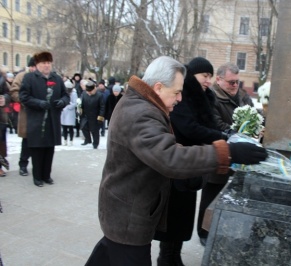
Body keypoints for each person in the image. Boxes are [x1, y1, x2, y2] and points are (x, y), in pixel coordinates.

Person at [85, 56, 267, 266]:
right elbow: (170, 157)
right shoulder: (140, 113)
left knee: (109, 254)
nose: (180, 98)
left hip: (126, 209)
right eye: (177, 92)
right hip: (128, 215)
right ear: (159, 87)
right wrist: (227, 152)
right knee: (123, 253)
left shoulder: (142, 104)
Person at [153, 57, 229, 265]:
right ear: (192, 75)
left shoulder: (203, 98)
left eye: (210, 77)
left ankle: (173, 256)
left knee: (182, 218)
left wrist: (222, 134)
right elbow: (189, 127)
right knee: (173, 219)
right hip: (177, 165)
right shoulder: (183, 97)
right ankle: (167, 258)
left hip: (190, 167)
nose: (208, 81)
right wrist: (222, 138)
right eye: (205, 76)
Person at [197, 62, 254, 245]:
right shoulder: (210, 97)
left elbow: (255, 115)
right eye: (231, 82)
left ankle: (223, 231)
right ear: (219, 80)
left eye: (238, 82)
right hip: (218, 154)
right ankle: (203, 233)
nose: (235, 86)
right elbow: (216, 124)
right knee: (211, 195)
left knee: (232, 198)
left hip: (240, 157)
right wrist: (239, 134)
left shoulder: (243, 97)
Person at [19, 51, 70, 187]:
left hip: (52, 120)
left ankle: (47, 175)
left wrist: (62, 102)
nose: (47, 65)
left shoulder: (57, 78)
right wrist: (38, 103)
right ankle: (37, 177)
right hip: (36, 120)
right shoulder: (30, 78)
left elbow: (66, 96)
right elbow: (24, 96)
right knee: (37, 150)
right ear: (37, 64)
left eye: (48, 63)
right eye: (43, 63)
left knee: (49, 149)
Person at [9, 57, 36, 176]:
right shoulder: (22, 76)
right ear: (31, 67)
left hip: (40, 114)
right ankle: (23, 165)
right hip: (27, 113)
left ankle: (38, 166)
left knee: (38, 142)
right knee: (27, 141)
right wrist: (24, 101)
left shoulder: (43, 77)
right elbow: (14, 91)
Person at [80, 80, 105, 149]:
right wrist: (80, 111)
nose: (89, 93)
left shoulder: (99, 95)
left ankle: (95, 143)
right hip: (86, 114)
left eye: (90, 91)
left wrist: (100, 117)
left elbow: (102, 107)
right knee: (83, 127)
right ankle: (88, 140)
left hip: (95, 115)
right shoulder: (84, 94)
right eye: (88, 91)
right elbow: (81, 104)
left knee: (95, 131)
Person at [61, 79, 78, 146]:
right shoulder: (63, 93)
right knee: (64, 127)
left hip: (70, 112)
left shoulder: (74, 93)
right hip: (64, 112)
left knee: (70, 127)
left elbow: (75, 103)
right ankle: (65, 140)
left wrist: (68, 106)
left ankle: (71, 140)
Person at [0, 72, 11, 177]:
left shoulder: (1, 79)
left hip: (0, 116)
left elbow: (8, 94)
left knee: (0, 143)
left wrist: (4, 98)